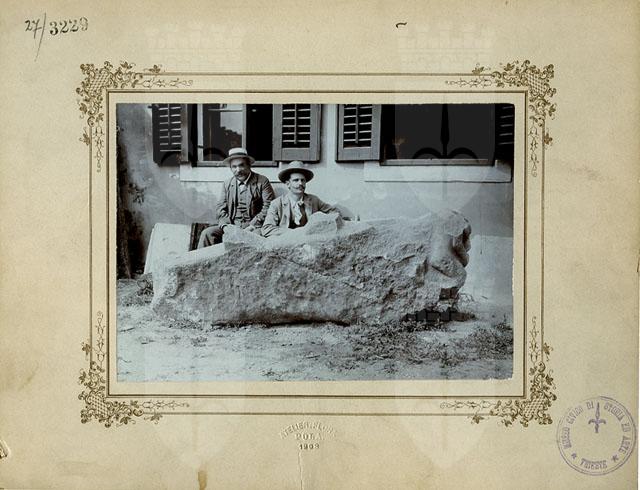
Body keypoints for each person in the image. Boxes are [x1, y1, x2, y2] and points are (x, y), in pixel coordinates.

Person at [198, 147, 275, 248]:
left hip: (254, 226)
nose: (238, 170)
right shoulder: (227, 184)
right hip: (232, 226)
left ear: (249, 165)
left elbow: (269, 206)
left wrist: (252, 225)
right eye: (234, 167)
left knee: (256, 239)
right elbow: (220, 208)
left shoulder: (262, 181)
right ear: (230, 168)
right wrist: (226, 226)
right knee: (207, 234)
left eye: (241, 165)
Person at [261, 161, 341, 237]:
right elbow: (267, 229)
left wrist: (321, 224)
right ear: (288, 184)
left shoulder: (314, 200)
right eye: (296, 180)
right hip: (286, 241)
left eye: (303, 180)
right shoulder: (277, 203)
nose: (300, 183)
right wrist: (295, 233)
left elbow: (334, 212)